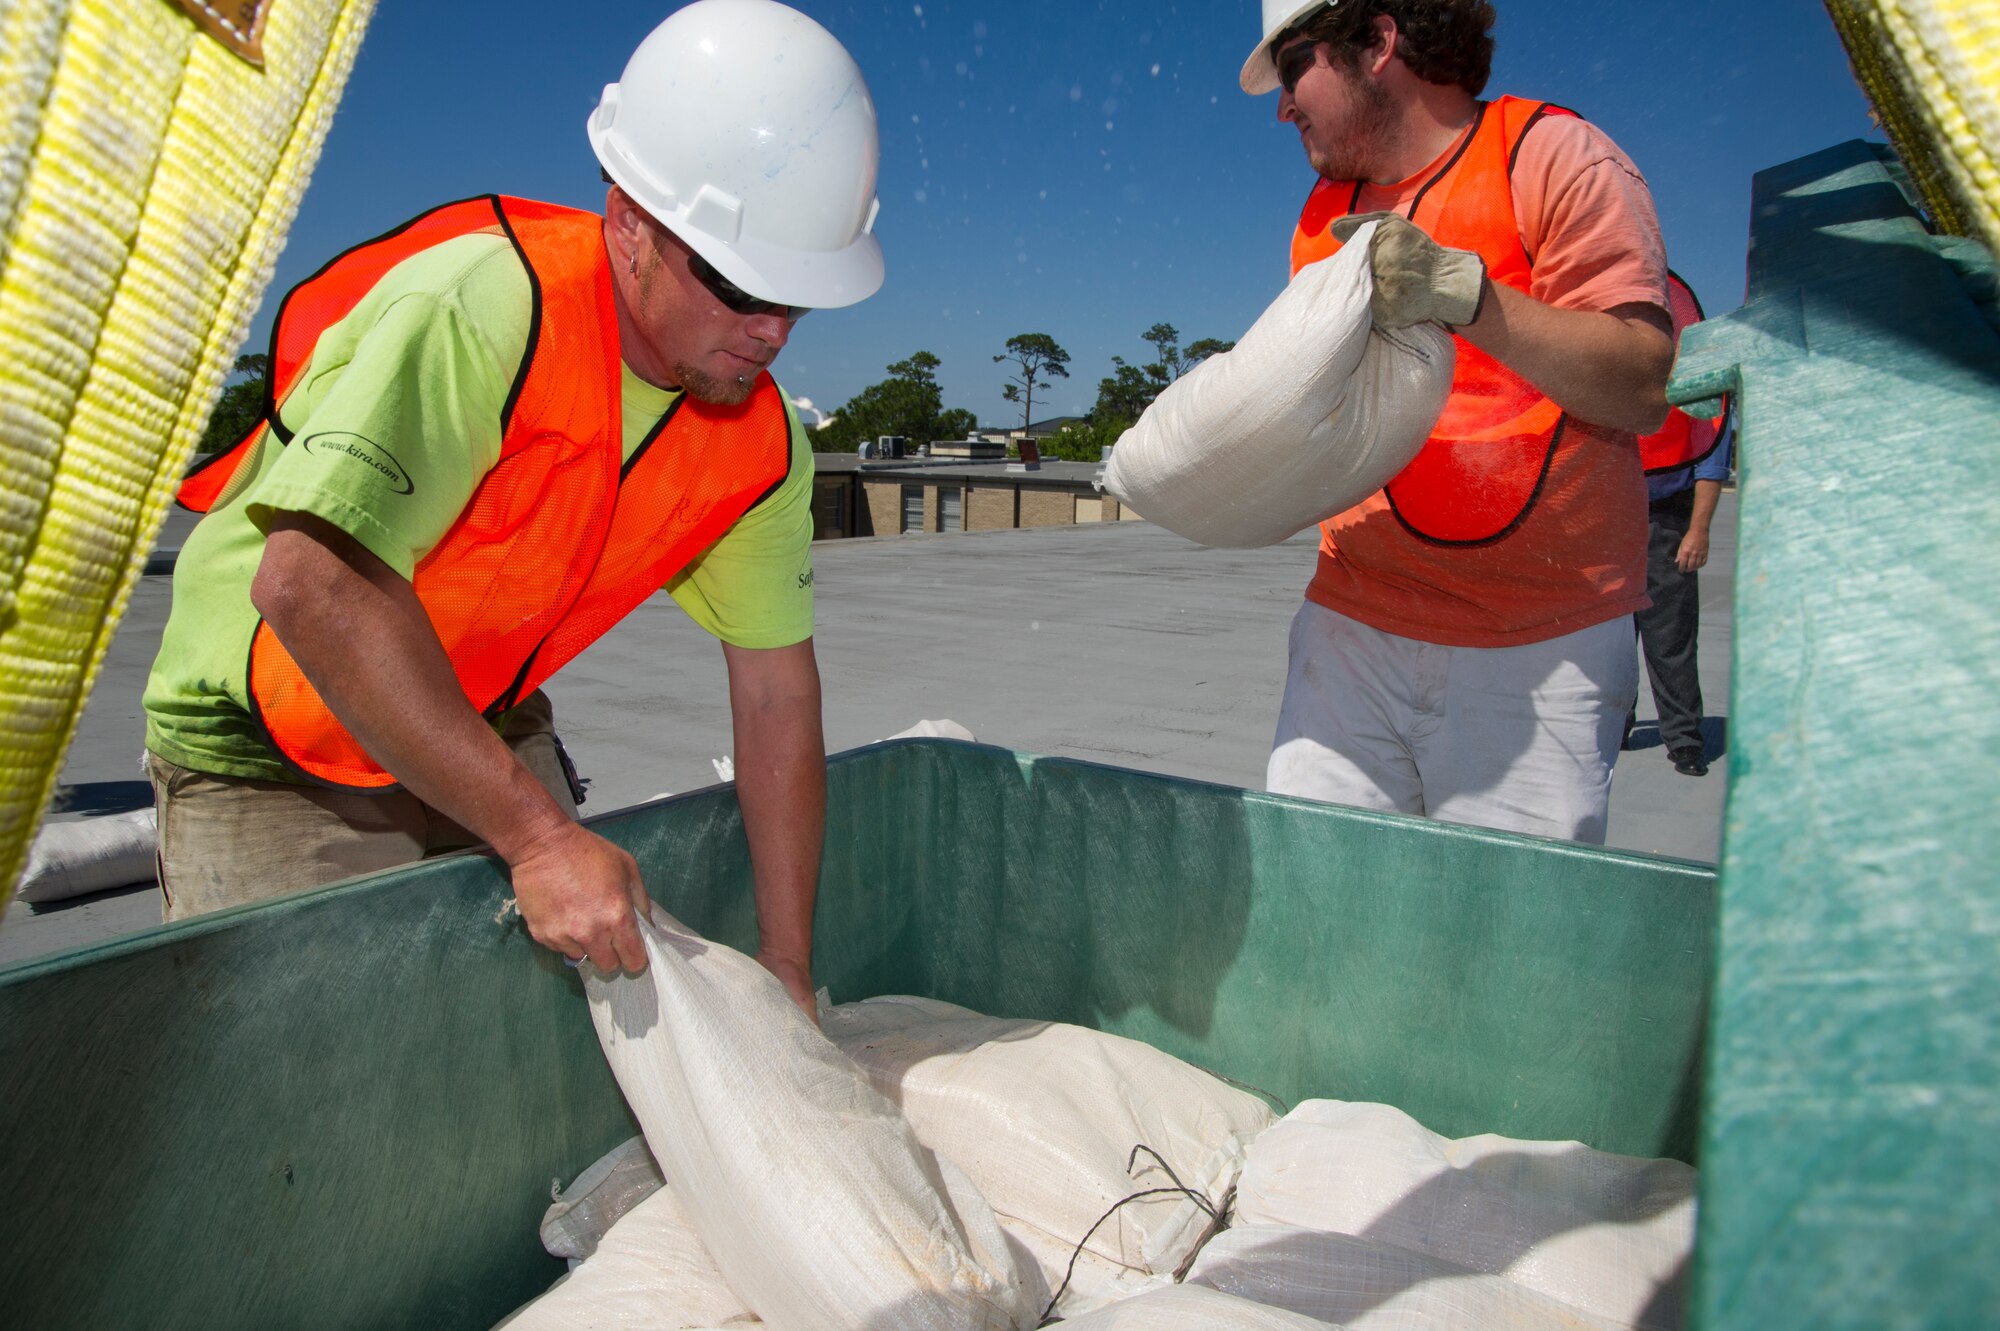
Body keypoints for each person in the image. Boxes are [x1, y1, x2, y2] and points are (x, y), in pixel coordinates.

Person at [141, 0, 883, 1010]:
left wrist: (789, 964)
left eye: (795, 298)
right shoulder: (483, 309)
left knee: (556, 1057)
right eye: (736, 283)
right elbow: (309, 585)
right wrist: (536, 836)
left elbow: (774, 697)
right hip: (265, 745)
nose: (769, 332)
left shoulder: (755, 442)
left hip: (471, 710)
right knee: (315, 1092)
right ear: (627, 225)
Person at [1248, 0, 1675, 844]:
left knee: (1502, 948)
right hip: (1352, 625)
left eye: (1295, 63)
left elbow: (1640, 383)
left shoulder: (1546, 154)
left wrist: (1463, 294)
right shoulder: (1321, 219)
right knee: (1321, 911)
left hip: (1538, 645)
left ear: (1378, 39)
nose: (1283, 104)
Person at [1630, 277, 1733, 776]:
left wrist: (1699, 530)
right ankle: (1614, 725)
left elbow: (1712, 459)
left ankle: (1684, 740)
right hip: (1606, 519)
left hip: (1667, 520)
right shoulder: (1616, 370)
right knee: (1607, 642)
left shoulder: (1695, 379)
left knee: (1669, 640)